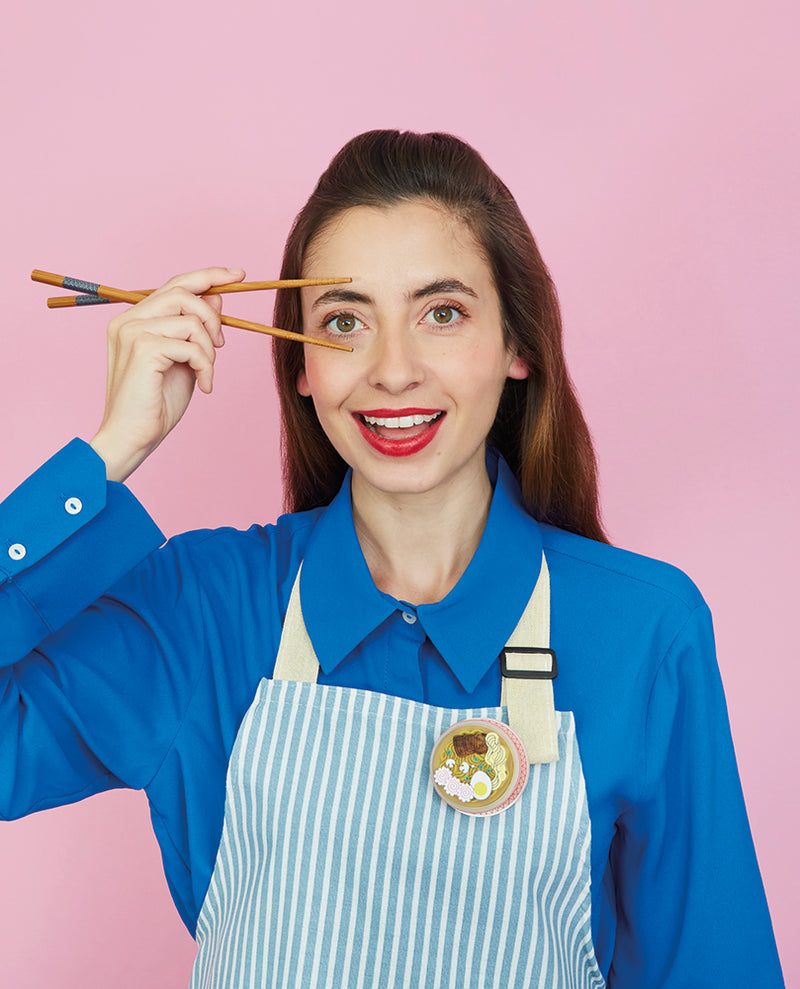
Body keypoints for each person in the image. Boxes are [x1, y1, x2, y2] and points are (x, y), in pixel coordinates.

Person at [0, 130, 784, 987]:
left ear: (518, 347)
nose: (394, 370)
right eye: (344, 321)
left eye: (441, 313)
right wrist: (109, 453)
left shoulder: (644, 629)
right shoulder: (205, 608)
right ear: (301, 366)